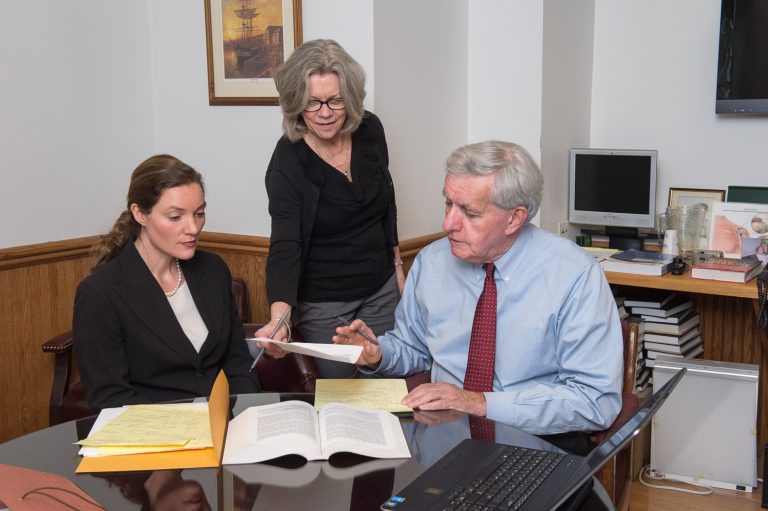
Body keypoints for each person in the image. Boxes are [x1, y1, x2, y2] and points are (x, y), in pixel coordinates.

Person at [333, 140, 623, 445]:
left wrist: (477, 403)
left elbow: (593, 401)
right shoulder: (431, 262)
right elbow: (414, 347)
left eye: (469, 213)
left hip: (538, 441)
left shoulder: (574, 275)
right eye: (448, 203)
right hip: (444, 436)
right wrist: (379, 353)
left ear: (515, 218)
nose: (448, 224)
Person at [256, 39, 403, 378]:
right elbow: (285, 247)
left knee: (387, 388)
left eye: (335, 100)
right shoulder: (288, 161)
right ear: (295, 104)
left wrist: (397, 265)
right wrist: (280, 320)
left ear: (349, 98)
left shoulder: (370, 130)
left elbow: (387, 201)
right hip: (326, 305)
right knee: (343, 402)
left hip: (381, 291)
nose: (324, 112)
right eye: (312, 102)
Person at [73, 154, 259, 411]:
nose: (193, 228)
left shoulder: (214, 270)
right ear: (140, 214)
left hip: (224, 425)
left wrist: (246, 415)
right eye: (175, 217)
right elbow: (111, 398)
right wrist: (191, 430)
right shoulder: (100, 292)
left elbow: (238, 364)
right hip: (154, 438)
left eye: (199, 213)